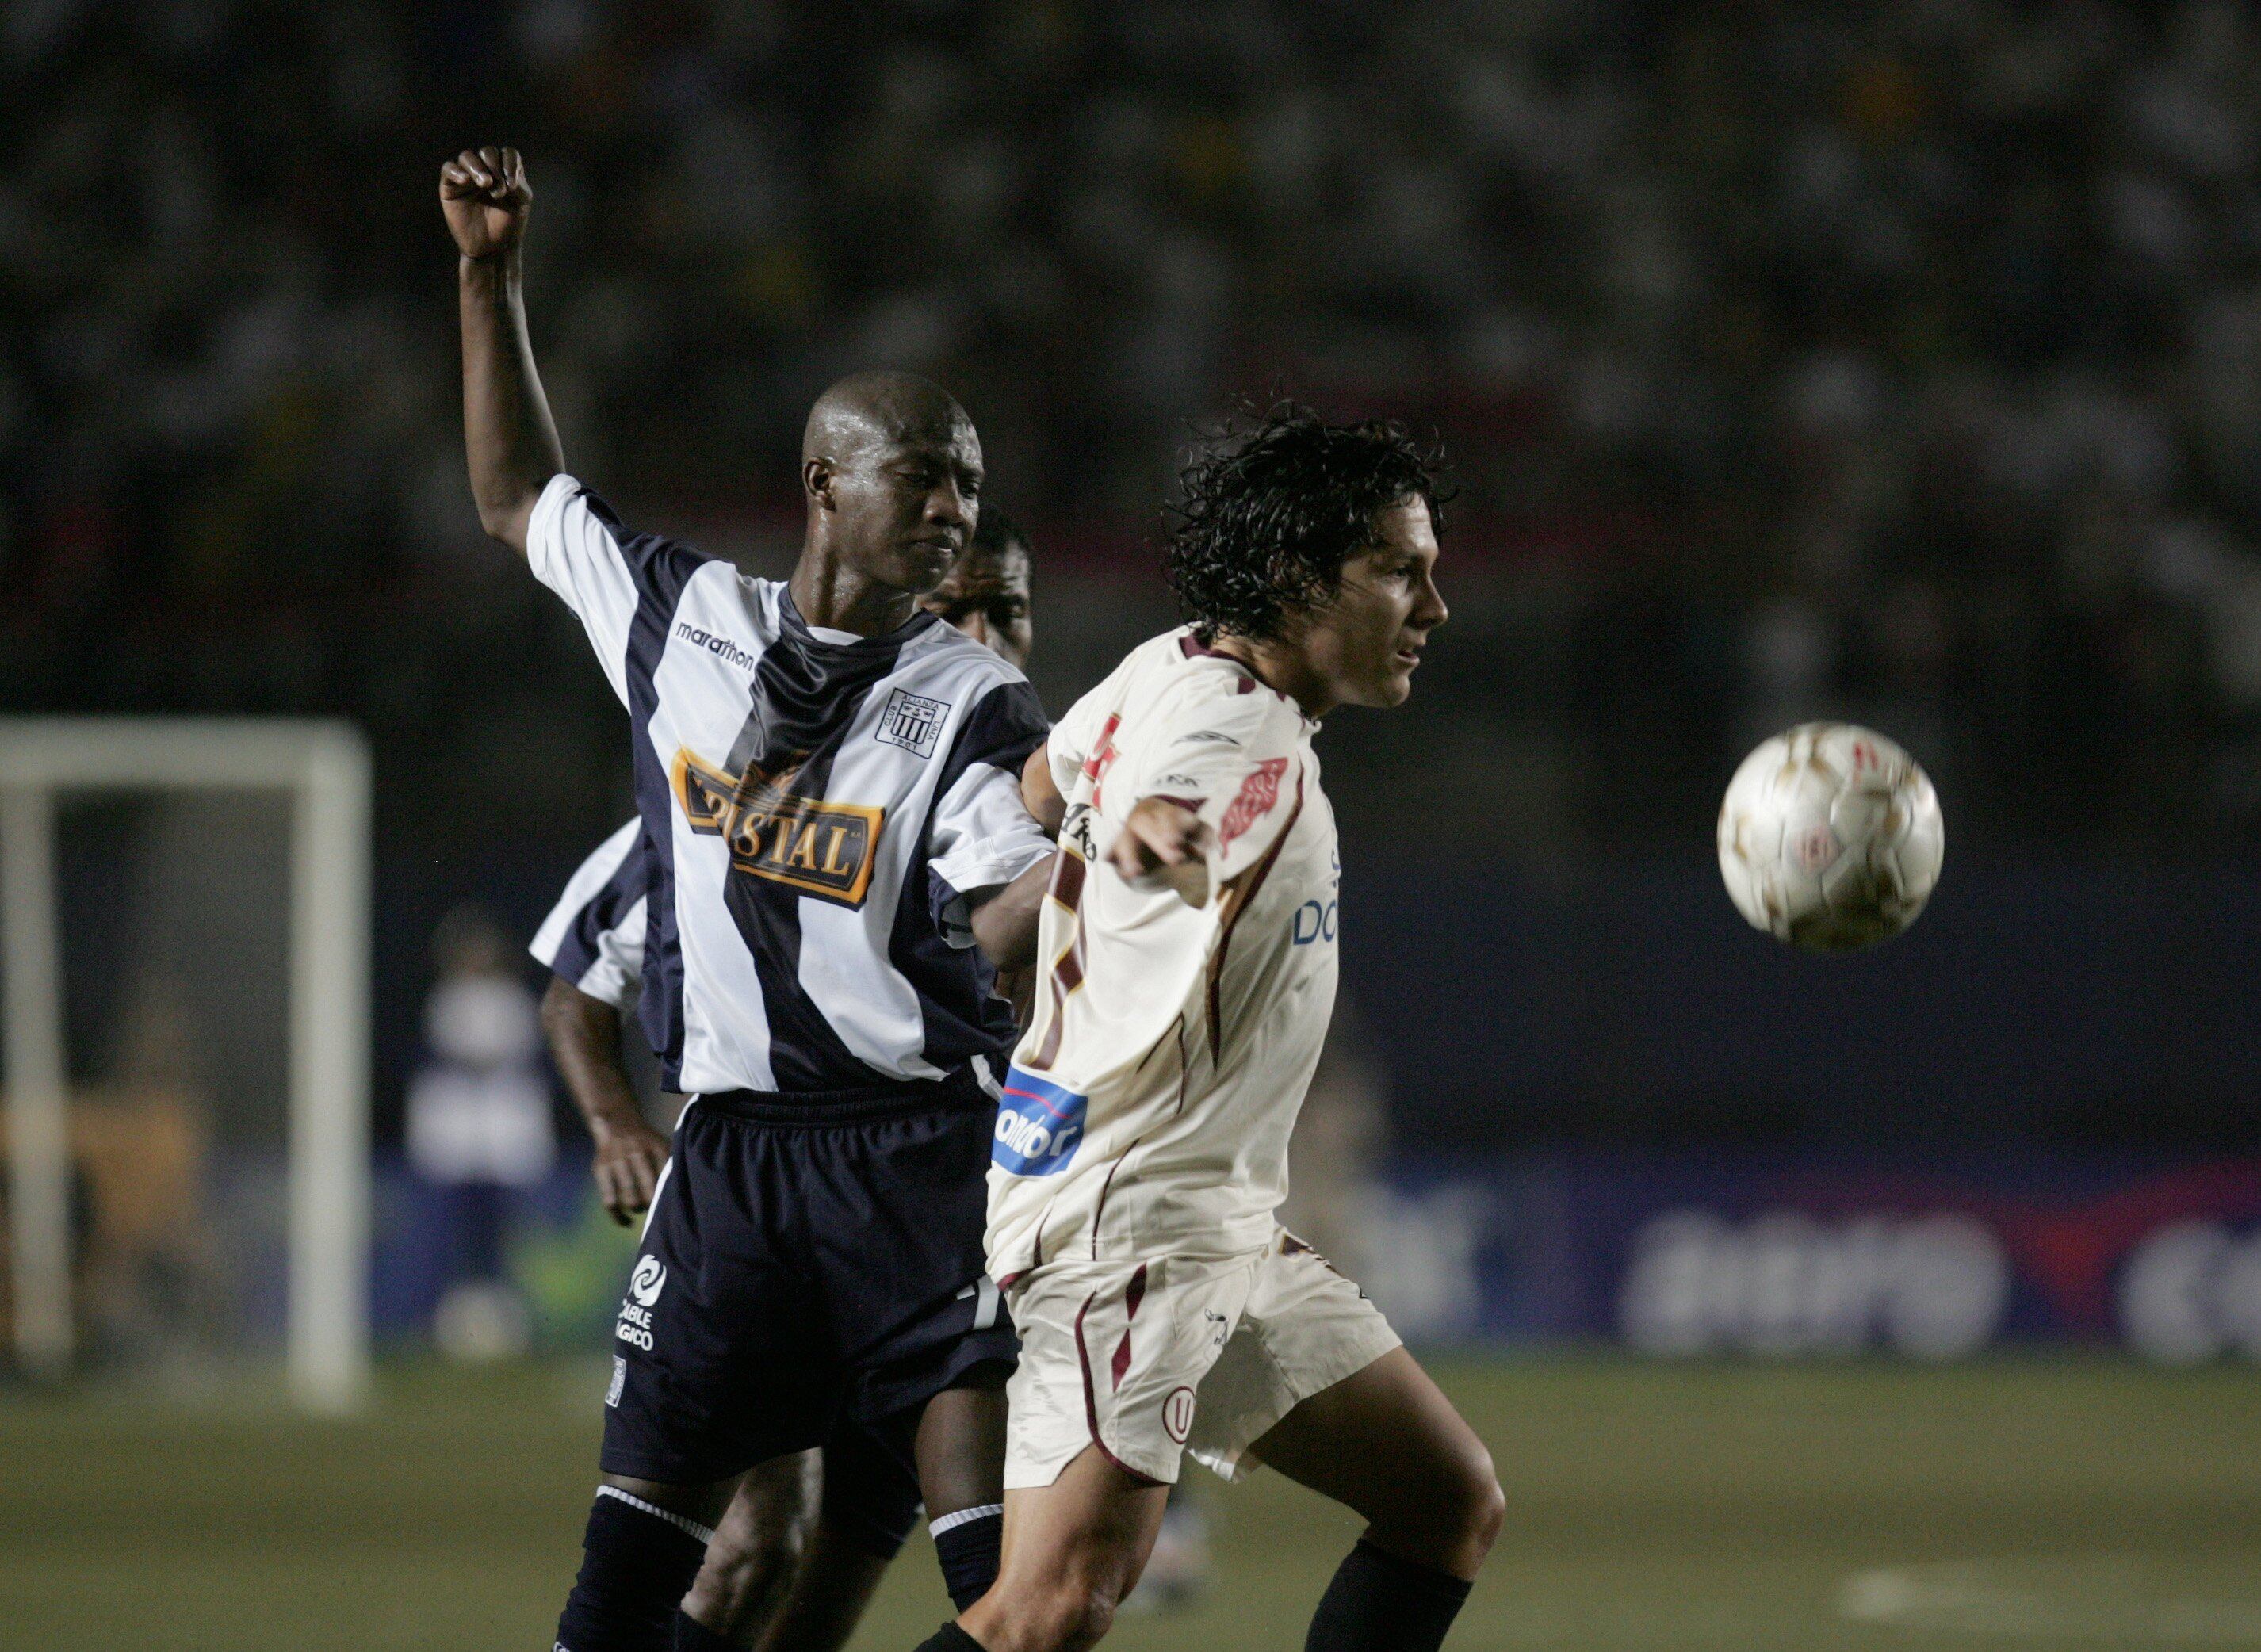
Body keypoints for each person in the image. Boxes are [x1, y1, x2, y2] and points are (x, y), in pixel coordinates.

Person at [441, 147, 1057, 1652]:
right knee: (642, 1586)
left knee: (1002, 1595)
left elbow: (1017, 896)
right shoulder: (678, 619)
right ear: (824, 483)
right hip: (728, 1171)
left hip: (921, 1166)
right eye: (926, 477)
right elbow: (518, 493)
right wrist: (490, 277)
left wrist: (1105, 866)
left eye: (972, 486)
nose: (956, 510)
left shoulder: (972, 699)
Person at [915, 405, 1502, 1652]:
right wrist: (1141, 854)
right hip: (1132, 1222)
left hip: (1205, 1216)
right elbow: (1174, 821)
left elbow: (1037, 787)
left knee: (1444, 1501)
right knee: (1048, 1611)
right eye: (1401, 570)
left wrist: (1066, 878)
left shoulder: (1172, 664)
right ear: (1299, 576)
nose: (1433, 607)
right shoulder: (1246, 746)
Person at [530, 509, 1041, 1651]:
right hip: (775, 1204)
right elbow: (574, 980)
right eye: (959, 605)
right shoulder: (752, 781)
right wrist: (615, 1123)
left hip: (936, 1215)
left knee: (868, 1557)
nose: (983, 630)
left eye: (1007, 606)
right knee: (760, 1540)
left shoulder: (1035, 790)